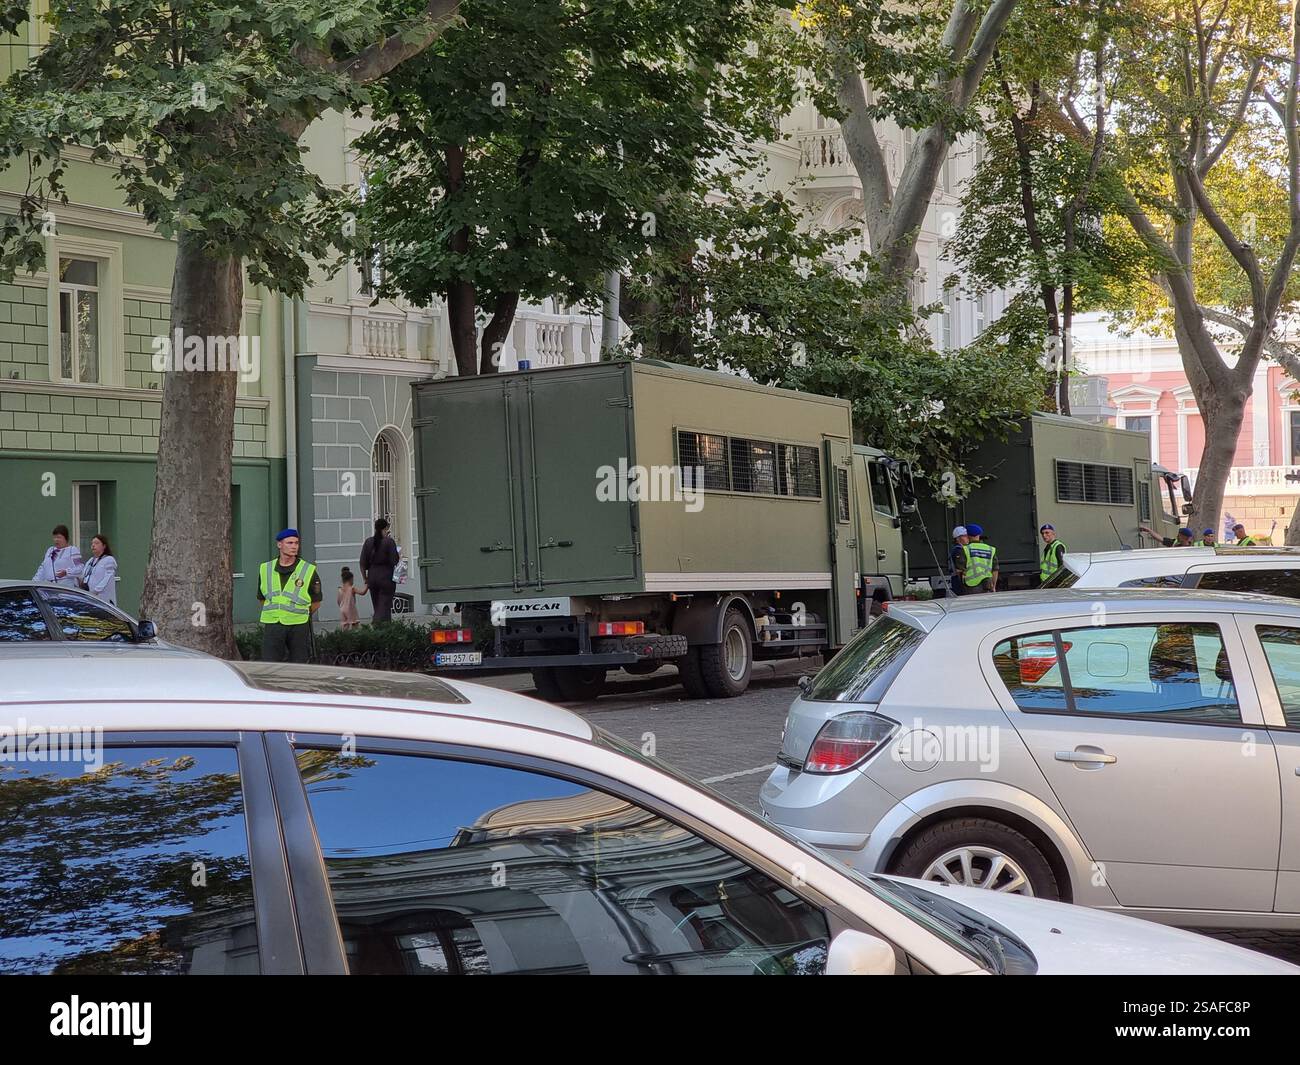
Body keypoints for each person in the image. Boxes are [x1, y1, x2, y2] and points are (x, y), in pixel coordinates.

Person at [257, 529, 322, 663]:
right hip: (273, 623)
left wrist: (298, 613)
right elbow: (262, 598)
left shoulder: (307, 569)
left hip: (298, 624)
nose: (294, 546)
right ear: (279, 545)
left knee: (299, 664)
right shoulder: (265, 569)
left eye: (296, 543)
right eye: (290, 543)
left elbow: (316, 602)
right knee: (270, 663)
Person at [360, 518, 400, 624]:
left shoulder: (368, 542)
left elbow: (362, 563)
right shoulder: (389, 542)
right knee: (384, 605)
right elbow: (394, 561)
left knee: (377, 605)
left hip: (372, 576)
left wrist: (365, 578)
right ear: (385, 528)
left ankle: (383, 630)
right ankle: (377, 623)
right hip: (386, 576)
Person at [79, 534, 118, 606]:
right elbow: (84, 575)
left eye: (96, 543)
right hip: (90, 599)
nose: (93, 545)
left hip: (103, 599)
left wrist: (95, 591)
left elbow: (107, 578)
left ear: (104, 546)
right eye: (92, 543)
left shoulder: (109, 560)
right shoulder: (91, 560)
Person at [964, 522, 998, 593]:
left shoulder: (965, 549)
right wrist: (993, 586)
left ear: (967, 535)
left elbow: (960, 570)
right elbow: (995, 570)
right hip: (987, 584)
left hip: (971, 585)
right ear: (979, 535)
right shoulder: (990, 549)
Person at [338, 566, 367, 631]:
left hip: (342, 609)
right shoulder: (352, 588)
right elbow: (362, 592)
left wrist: (341, 606)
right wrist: (367, 585)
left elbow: (338, 600)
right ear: (350, 579)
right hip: (351, 609)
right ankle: (354, 636)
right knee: (354, 624)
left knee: (345, 624)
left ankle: (344, 636)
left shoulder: (340, 589)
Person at [948, 526, 971, 596]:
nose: (967, 537)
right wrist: (963, 584)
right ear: (957, 538)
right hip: (958, 580)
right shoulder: (958, 550)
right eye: (964, 536)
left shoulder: (960, 548)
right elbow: (959, 570)